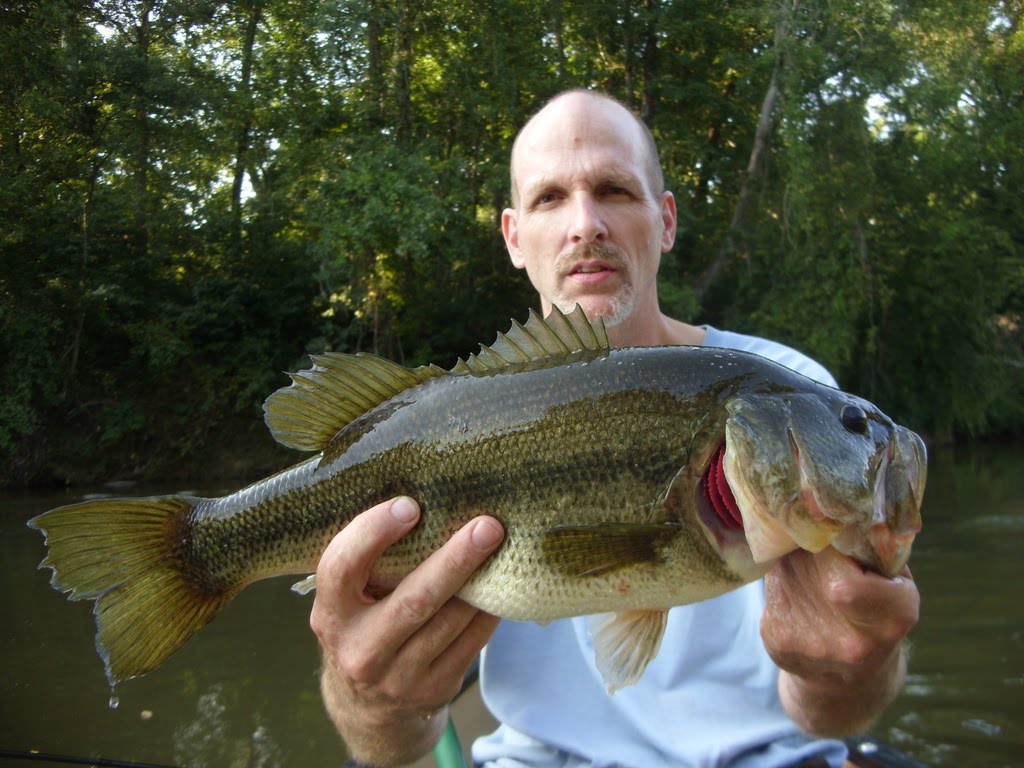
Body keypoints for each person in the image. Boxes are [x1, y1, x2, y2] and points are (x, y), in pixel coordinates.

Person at [309, 89, 920, 767]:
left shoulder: (784, 393)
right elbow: (391, 749)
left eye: (615, 190)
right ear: (514, 237)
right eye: (549, 199)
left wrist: (849, 665)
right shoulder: (449, 417)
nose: (586, 223)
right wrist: (372, 701)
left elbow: (829, 714)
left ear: (664, 220)